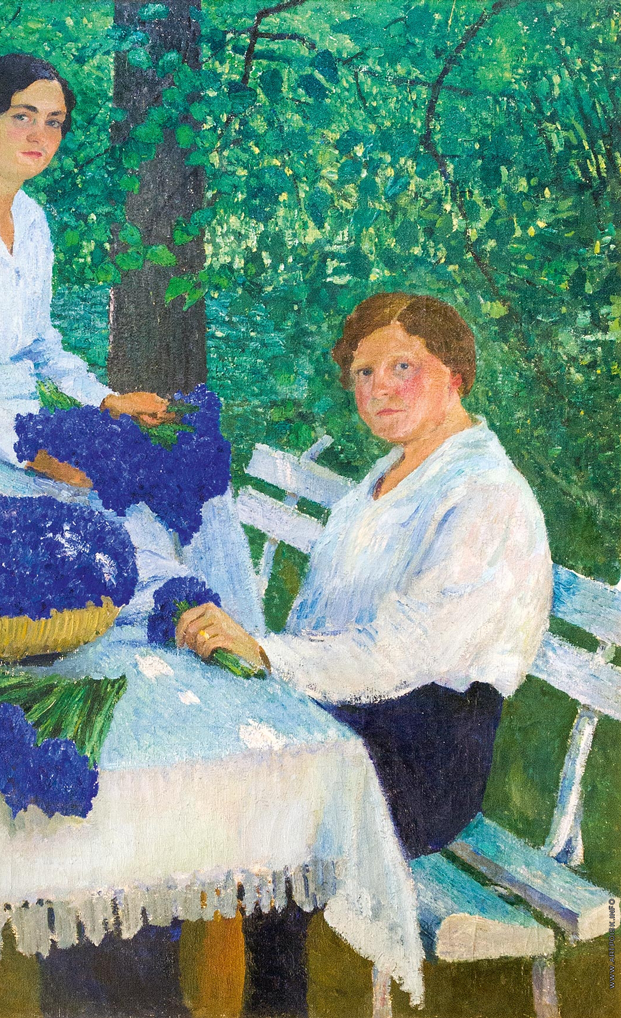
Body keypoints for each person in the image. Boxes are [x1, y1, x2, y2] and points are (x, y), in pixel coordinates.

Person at [176, 292, 552, 1013]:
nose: (380, 388)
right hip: (360, 716)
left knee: (268, 805)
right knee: (224, 762)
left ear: (455, 374)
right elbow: (322, 620)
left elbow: (402, 652)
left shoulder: (486, 496)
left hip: (431, 752)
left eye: (403, 367)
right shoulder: (380, 483)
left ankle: (270, 1004)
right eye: (364, 373)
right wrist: (268, 663)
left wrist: (269, 656)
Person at [0, 52, 263, 629]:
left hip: (22, 423)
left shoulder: (30, 222)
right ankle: (178, 633)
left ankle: (243, 640)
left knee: (192, 498)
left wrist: (105, 401)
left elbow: (39, 346)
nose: (41, 135)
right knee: (101, 548)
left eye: (53, 122)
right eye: (23, 116)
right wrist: (37, 454)